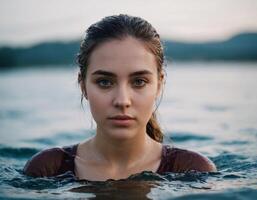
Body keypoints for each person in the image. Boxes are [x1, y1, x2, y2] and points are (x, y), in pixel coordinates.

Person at [23, 14, 216, 181]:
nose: (122, 101)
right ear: (83, 86)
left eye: (139, 81)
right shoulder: (47, 169)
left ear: (159, 84)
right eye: (105, 82)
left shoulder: (192, 170)